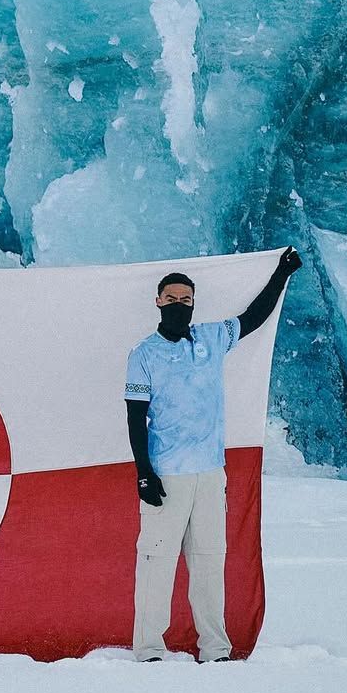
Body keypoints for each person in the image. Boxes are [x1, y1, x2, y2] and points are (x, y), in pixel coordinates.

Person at [124, 246, 302, 663]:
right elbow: (135, 418)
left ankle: (215, 648)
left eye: (185, 300)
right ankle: (149, 648)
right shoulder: (143, 354)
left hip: (209, 474)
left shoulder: (210, 337)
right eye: (171, 299)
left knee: (208, 561)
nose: (179, 305)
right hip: (167, 474)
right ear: (157, 302)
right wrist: (144, 473)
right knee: (157, 561)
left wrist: (282, 275)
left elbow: (254, 317)